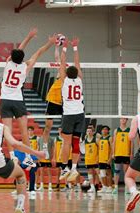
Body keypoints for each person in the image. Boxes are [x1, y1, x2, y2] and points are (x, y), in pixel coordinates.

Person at [1, 29, 55, 166]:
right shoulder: (25, 67)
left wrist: (29, 36)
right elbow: (39, 52)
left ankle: (13, 156)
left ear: (11, 57)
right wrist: (50, 43)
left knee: (8, 131)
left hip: (5, 100)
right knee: (24, 131)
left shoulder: (8, 63)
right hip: (18, 101)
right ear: (22, 58)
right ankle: (28, 157)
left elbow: (18, 50)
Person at [57, 37, 85, 184]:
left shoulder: (64, 81)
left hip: (68, 115)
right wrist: (75, 47)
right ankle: (74, 168)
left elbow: (62, 63)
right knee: (76, 142)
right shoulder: (80, 79)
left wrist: (64, 47)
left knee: (66, 142)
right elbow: (77, 63)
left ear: (67, 74)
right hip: (80, 114)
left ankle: (64, 168)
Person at [41, 45, 63, 158]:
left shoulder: (74, 81)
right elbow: (57, 58)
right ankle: (44, 147)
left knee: (67, 127)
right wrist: (56, 46)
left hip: (64, 103)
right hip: (53, 101)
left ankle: (66, 147)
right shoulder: (61, 74)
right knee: (48, 126)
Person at [112, 118, 132, 194]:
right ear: (120, 120)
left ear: (126, 121)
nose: (123, 120)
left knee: (126, 172)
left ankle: (126, 187)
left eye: (124, 119)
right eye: (121, 119)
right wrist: (113, 153)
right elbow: (114, 142)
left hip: (126, 153)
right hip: (118, 153)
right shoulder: (116, 130)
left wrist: (131, 153)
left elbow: (131, 143)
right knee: (116, 171)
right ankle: (116, 187)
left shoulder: (129, 130)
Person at [97, 126, 113, 193]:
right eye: (103, 129)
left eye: (105, 129)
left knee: (108, 173)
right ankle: (104, 187)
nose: (104, 130)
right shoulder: (100, 139)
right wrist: (97, 158)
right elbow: (98, 149)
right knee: (102, 174)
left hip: (107, 159)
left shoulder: (110, 138)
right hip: (101, 159)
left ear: (108, 131)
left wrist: (110, 158)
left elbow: (112, 149)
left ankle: (110, 187)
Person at [84, 125, 99, 193]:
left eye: (90, 131)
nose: (89, 132)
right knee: (90, 173)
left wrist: (98, 157)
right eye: (87, 131)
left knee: (98, 172)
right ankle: (92, 187)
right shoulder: (85, 139)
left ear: (93, 132)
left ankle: (104, 186)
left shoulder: (95, 139)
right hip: (88, 159)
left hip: (95, 159)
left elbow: (99, 149)